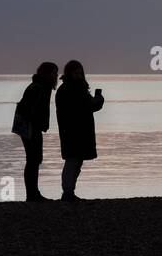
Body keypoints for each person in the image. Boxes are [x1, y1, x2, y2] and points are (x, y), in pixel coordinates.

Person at [55, 60, 104, 202]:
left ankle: (69, 192)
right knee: (72, 161)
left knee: (76, 161)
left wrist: (96, 101)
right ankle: (67, 192)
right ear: (69, 72)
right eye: (76, 72)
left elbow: (88, 107)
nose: (79, 75)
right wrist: (99, 100)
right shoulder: (71, 89)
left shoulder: (72, 88)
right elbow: (88, 106)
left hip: (77, 131)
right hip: (73, 131)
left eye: (80, 72)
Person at [15, 62, 59, 202]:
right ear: (46, 74)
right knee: (33, 160)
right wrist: (35, 125)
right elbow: (29, 109)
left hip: (31, 127)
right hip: (30, 127)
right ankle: (32, 194)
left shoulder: (40, 86)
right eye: (54, 73)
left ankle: (33, 193)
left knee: (34, 159)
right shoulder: (38, 88)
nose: (56, 76)